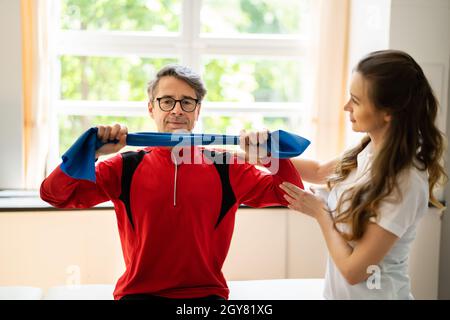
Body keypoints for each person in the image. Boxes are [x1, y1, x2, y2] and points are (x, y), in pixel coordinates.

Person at [40, 64, 303, 300]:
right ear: (151, 108)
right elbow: (55, 195)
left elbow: (290, 195)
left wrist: (269, 156)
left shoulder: (228, 166)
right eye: (167, 101)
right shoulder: (124, 167)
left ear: (197, 110)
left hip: (206, 297)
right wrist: (93, 153)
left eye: (187, 102)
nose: (177, 110)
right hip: (138, 295)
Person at [280, 50, 447, 299]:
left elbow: (354, 271)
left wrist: (319, 213)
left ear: (387, 112)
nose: (347, 107)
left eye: (356, 101)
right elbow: (318, 171)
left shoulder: (406, 181)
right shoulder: (368, 148)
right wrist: (255, 155)